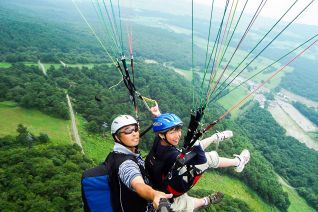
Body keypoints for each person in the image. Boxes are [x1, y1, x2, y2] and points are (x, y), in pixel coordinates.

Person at [146, 106, 250, 211]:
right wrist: (195, 141)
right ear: (162, 135)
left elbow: (165, 132)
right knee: (209, 158)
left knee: (191, 148)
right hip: (172, 186)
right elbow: (201, 159)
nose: (178, 135)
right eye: (172, 132)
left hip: (162, 177)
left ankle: (214, 137)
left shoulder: (159, 141)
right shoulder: (173, 155)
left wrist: (159, 116)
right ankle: (238, 162)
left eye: (178, 130)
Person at [109, 114, 172, 211]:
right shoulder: (125, 163)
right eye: (128, 130)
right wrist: (154, 194)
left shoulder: (123, 153)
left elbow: (160, 140)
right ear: (117, 137)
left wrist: (158, 116)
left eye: (135, 129)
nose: (134, 133)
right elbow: (138, 184)